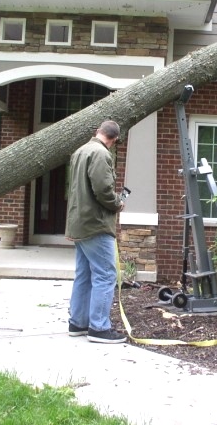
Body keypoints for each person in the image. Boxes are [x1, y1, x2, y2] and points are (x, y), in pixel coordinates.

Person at [65, 120, 127, 344]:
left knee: (84, 274)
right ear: (114, 139)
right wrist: (117, 204)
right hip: (96, 224)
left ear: (97, 132)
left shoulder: (80, 151)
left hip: (79, 222)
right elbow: (103, 190)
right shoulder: (101, 154)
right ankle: (99, 328)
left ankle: (78, 323)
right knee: (106, 274)